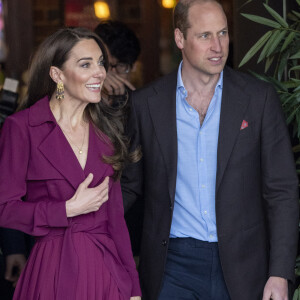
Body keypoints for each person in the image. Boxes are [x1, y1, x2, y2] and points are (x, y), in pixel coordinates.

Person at [121, 1, 299, 300]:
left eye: (223, 33)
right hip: (171, 265)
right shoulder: (146, 104)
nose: (218, 46)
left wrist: (280, 272)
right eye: (205, 36)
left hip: (243, 266)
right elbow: (129, 186)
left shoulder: (258, 99)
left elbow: (281, 190)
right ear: (180, 39)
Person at [0, 27, 141, 300]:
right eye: (85, 64)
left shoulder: (106, 130)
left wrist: (133, 288)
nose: (99, 72)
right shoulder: (22, 127)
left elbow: (116, 221)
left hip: (106, 270)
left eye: (100, 63)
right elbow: (5, 209)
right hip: (52, 269)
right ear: (58, 75)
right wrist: (65, 210)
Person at [94, 20, 143, 258]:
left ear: (131, 68)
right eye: (105, 65)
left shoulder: (139, 106)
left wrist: (123, 105)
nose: (110, 77)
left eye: (120, 67)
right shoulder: (69, 101)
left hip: (129, 234)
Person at [94, 20, 141, 108]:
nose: (111, 73)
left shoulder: (140, 106)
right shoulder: (78, 93)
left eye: (121, 66)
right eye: (104, 63)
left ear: (134, 67)